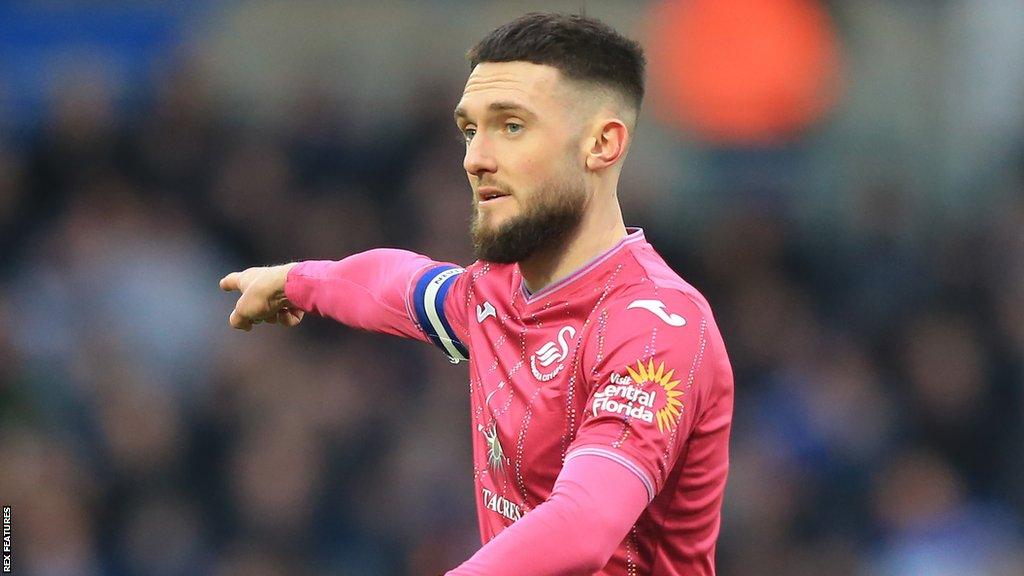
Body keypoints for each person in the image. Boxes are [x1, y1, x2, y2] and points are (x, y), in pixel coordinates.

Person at [220, 12, 733, 575]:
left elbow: (584, 526)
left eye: (511, 126)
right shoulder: (494, 295)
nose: (475, 159)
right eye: (470, 130)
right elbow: (394, 284)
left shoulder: (656, 325)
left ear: (602, 145)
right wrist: (294, 279)